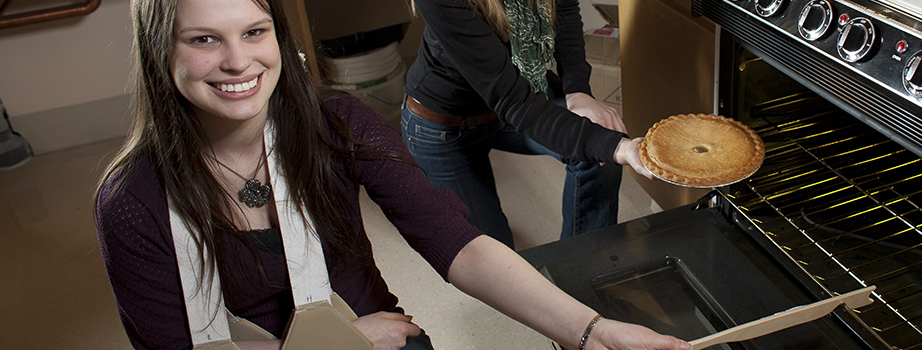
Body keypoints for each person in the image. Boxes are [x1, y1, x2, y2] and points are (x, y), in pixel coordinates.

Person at [94, 0, 680, 349]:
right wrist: (341, 345)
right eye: (203, 40)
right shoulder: (131, 201)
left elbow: (460, 246)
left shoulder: (336, 124)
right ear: (159, 53)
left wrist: (590, 331)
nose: (238, 61)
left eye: (254, 32)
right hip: (366, 337)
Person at [402, 0, 654, 248]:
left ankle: (579, 266)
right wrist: (617, 147)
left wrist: (578, 91)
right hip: (444, 127)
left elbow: (563, 6)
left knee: (599, 154)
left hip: (519, 91)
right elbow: (513, 100)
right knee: (496, 265)